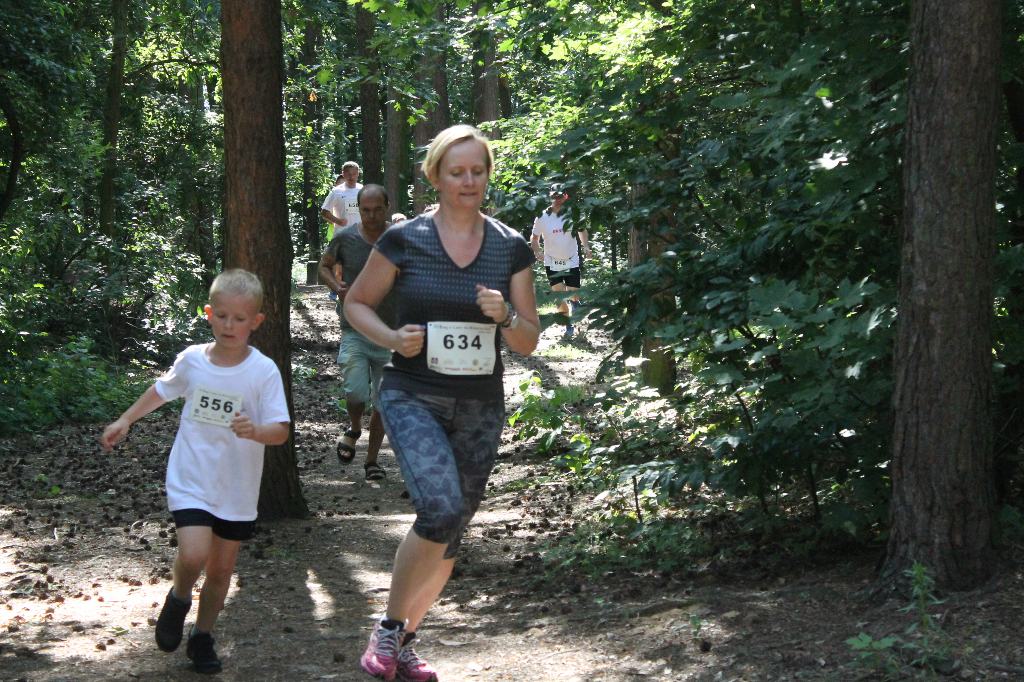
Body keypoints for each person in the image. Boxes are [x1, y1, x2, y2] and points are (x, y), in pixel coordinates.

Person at [345, 125, 540, 682]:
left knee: (452, 528)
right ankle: (385, 630)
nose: (468, 181)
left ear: (487, 174)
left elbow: (528, 338)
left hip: (480, 404)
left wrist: (504, 315)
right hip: (413, 395)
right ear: (436, 176)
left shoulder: (509, 245)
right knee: (439, 509)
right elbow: (356, 304)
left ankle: (405, 643)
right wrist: (389, 338)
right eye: (457, 172)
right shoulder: (406, 240)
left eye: (477, 170)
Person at [100, 269, 290, 675]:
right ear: (208, 313)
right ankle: (180, 596)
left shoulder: (263, 371)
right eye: (222, 315)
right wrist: (126, 419)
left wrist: (255, 431)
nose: (229, 325)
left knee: (221, 570)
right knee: (194, 553)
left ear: (256, 322)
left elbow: (280, 431)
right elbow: (162, 390)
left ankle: (202, 637)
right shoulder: (191, 361)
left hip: (237, 487)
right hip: (191, 477)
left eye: (240, 319)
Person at [318, 184, 397, 480]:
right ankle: (354, 427)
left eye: (377, 209)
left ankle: (372, 461)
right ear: (358, 209)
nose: (372, 215)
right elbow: (324, 267)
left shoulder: (399, 239)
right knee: (355, 391)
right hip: (354, 328)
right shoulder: (345, 238)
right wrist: (337, 286)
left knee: (383, 401)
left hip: (391, 333)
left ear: (387, 207)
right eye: (365, 210)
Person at [530, 187, 593, 340]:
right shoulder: (543, 217)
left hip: (571, 259)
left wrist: (586, 246)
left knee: (573, 292)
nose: (557, 200)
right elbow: (535, 238)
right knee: (559, 295)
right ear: (550, 198)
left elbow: (581, 229)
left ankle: (575, 302)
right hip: (552, 261)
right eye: (554, 197)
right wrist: (537, 251)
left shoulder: (572, 214)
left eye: (560, 197)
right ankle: (568, 325)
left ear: (566, 197)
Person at [321, 162, 363, 300]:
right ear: (343, 175)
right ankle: (341, 296)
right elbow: (324, 212)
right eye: (348, 174)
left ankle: (357, 296)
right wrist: (338, 221)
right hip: (342, 236)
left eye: (354, 174)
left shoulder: (362, 190)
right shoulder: (336, 192)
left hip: (360, 235)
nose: (352, 177)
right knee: (340, 269)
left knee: (359, 267)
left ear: (358, 174)